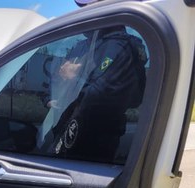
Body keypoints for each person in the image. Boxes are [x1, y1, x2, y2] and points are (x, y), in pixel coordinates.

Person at [43, 0, 147, 162]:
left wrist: (73, 78)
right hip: (67, 124)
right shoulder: (86, 44)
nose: (87, 9)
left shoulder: (119, 47)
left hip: (95, 136)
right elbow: (58, 75)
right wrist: (51, 98)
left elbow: (99, 94)